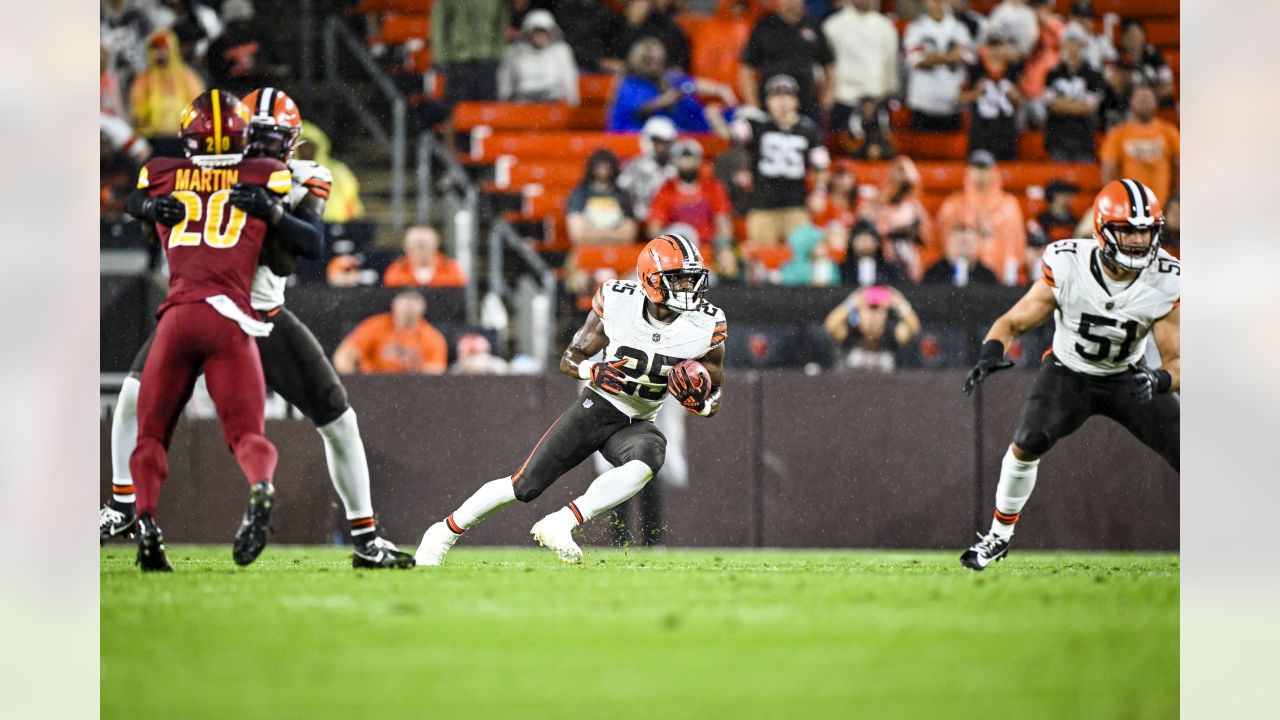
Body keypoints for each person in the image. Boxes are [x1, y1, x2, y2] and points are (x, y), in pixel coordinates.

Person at [102, 88, 415, 569]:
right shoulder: (221, 171)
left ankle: (365, 537)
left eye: (276, 139)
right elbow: (141, 199)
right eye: (261, 139)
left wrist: (271, 211)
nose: (269, 149)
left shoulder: (297, 176)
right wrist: (148, 208)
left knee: (339, 421)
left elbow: (311, 241)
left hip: (260, 318)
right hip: (210, 310)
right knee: (130, 402)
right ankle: (124, 508)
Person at [413, 234, 728, 565]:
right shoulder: (618, 300)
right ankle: (442, 533)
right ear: (651, 280)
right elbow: (571, 357)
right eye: (677, 280)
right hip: (598, 407)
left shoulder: (706, 323)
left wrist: (701, 404)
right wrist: (593, 371)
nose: (687, 289)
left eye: (691, 280)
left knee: (651, 455)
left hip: (637, 421)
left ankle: (561, 523)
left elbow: (716, 391)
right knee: (524, 486)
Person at [120, 90, 322, 571]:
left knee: (150, 436)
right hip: (231, 319)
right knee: (248, 435)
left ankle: (145, 519)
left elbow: (134, 197)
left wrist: (148, 209)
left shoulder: (164, 173)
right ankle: (260, 486)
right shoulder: (267, 174)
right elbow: (307, 240)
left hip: (176, 316)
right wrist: (274, 211)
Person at [959, 179, 1179, 570]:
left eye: (1144, 231)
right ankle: (998, 537)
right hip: (1068, 372)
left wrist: (1159, 381)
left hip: (1129, 377)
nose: (1137, 241)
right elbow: (1013, 322)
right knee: (1027, 442)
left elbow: (1178, 360)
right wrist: (991, 352)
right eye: (1127, 231)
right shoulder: (1067, 262)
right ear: (1102, 229)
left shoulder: (1166, 277)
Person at [728, 74, 830, 249]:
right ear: (767, 101)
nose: (782, 102)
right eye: (776, 97)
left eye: (787, 96)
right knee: (762, 262)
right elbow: (735, 135)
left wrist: (819, 192)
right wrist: (740, 117)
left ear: (796, 101)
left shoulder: (808, 129)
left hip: (796, 206)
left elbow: (821, 165)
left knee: (801, 258)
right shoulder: (758, 124)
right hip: (762, 206)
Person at [935, 150, 1027, 285]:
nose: (981, 174)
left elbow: (1018, 243)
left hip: (1001, 278)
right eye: (976, 168)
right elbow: (943, 242)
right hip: (966, 276)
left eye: (985, 169)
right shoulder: (954, 203)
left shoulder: (1008, 205)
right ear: (969, 171)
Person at [606, 38, 734, 133]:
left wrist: (720, 89)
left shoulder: (666, 77)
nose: (655, 66)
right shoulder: (628, 83)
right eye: (648, 60)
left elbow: (691, 83)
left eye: (659, 61)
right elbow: (643, 108)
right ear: (637, 60)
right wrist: (668, 98)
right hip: (631, 134)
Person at [739, 0, 835, 120]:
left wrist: (826, 99)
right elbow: (746, 69)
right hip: (768, 108)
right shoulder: (764, 26)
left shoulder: (813, 26)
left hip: (806, 108)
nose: (790, 2)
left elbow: (829, 65)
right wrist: (754, 105)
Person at [646, 140, 735, 265]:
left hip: (708, 247)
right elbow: (654, 227)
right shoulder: (665, 190)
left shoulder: (713, 187)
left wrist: (722, 245)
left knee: (727, 256)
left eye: (691, 159)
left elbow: (723, 222)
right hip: (676, 249)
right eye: (683, 159)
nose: (687, 164)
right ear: (675, 162)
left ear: (699, 161)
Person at [822, 0, 899, 142]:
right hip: (844, 100)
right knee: (842, 156)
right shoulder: (833, 25)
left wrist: (888, 94)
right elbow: (824, 66)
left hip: (877, 101)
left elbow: (891, 64)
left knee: (878, 154)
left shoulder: (885, 26)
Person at [333, 291, 449, 375]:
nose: (409, 308)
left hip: (413, 391)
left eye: (414, 303)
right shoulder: (374, 326)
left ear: (423, 308)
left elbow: (435, 372)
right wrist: (354, 383)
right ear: (394, 304)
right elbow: (343, 356)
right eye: (405, 302)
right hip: (372, 387)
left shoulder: (433, 337)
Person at [1100, 84, 1179, 203]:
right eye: (1140, 99)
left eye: (1147, 99)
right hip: (1129, 204)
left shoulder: (1169, 131)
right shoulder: (1118, 134)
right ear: (1132, 102)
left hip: (1162, 204)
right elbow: (1108, 170)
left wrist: (1176, 197)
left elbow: (1179, 166)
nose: (1144, 103)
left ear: (1155, 102)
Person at [903, 0, 975, 132]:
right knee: (921, 150)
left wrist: (932, 57)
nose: (937, 3)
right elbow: (915, 60)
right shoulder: (916, 27)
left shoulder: (959, 28)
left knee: (952, 149)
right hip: (923, 101)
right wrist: (950, 56)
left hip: (952, 102)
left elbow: (967, 57)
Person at [858, 156, 934, 280]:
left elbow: (926, 237)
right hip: (881, 260)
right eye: (900, 186)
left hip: (909, 260)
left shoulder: (915, 209)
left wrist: (910, 232)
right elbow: (864, 232)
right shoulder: (874, 206)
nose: (901, 191)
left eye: (905, 187)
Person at [128, 29, 206, 143]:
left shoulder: (188, 77)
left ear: (173, 49)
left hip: (183, 139)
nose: (160, 52)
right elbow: (138, 113)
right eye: (155, 48)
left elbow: (198, 108)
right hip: (154, 140)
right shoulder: (143, 79)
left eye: (164, 48)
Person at [957, 30, 1024, 161]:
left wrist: (1014, 94)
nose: (995, 50)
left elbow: (1022, 99)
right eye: (991, 46)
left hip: (1006, 132)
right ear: (985, 48)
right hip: (981, 132)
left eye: (998, 46)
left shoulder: (1013, 69)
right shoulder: (974, 70)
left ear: (1004, 48)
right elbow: (959, 98)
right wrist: (976, 93)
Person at [1042, 23, 1104, 162]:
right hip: (1058, 138)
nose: (1072, 48)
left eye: (1077, 43)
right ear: (1063, 45)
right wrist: (1078, 105)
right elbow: (1050, 105)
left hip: (1084, 139)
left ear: (1083, 46)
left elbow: (1090, 108)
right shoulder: (1052, 73)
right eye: (1069, 42)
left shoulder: (1093, 74)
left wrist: (1062, 104)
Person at [823, 285, 921, 372]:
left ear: (885, 316)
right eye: (868, 310)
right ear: (858, 314)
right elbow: (830, 325)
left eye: (878, 310)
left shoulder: (891, 337)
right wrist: (851, 302)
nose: (873, 318)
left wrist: (900, 303)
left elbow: (914, 328)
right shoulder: (851, 335)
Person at [432, 0, 509, 104]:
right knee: (457, 110)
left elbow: (500, 24)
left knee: (487, 112)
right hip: (457, 61)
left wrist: (497, 54)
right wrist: (440, 57)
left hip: (486, 61)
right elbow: (439, 24)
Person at [498, 10, 580, 105]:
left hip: (553, 104)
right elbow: (505, 81)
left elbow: (569, 80)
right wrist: (504, 103)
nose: (540, 36)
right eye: (537, 32)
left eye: (544, 32)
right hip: (523, 105)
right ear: (529, 32)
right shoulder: (514, 52)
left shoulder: (561, 51)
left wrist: (573, 104)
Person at [206, 0, 285, 98]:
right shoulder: (218, 45)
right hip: (230, 98)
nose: (240, 27)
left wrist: (262, 69)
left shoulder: (262, 39)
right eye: (236, 23)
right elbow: (213, 77)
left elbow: (282, 69)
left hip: (261, 97)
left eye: (243, 22)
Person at [566, 149, 638, 246]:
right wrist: (612, 235)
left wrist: (593, 234)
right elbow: (577, 235)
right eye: (599, 167)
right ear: (592, 168)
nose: (603, 171)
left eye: (606, 167)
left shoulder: (622, 195)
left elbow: (629, 234)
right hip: (587, 251)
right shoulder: (580, 194)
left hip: (618, 251)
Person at [297, 121, 365, 222]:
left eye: (310, 146)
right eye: (303, 146)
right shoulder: (287, 171)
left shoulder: (338, 171)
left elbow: (351, 203)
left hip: (335, 227)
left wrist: (353, 227)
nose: (306, 150)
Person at [618, 117, 678, 220]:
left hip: (668, 221)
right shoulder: (632, 166)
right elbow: (622, 192)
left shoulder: (676, 168)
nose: (662, 147)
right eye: (658, 142)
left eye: (665, 143)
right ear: (648, 140)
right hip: (639, 220)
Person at [610, 0, 692, 73]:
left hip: (661, 74)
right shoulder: (614, 23)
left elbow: (679, 61)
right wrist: (631, 24)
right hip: (629, 74)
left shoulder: (665, 26)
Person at [382, 225, 468, 288]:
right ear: (405, 246)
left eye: (425, 244)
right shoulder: (397, 269)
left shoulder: (451, 268)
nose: (420, 249)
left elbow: (457, 294)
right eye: (415, 244)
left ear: (436, 244)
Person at [1115, 18, 1175, 104]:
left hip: (1155, 104)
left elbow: (1168, 88)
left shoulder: (1154, 56)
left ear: (1144, 36)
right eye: (1130, 36)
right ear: (1123, 38)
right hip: (1129, 106)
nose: (1134, 40)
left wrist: (1147, 96)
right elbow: (1117, 89)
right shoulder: (1117, 58)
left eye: (1137, 35)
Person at [921, 223, 1000, 286]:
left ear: (976, 246)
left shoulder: (987, 276)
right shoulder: (934, 273)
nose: (963, 249)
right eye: (958, 243)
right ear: (948, 245)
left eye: (967, 243)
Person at [554, 0, 621, 72]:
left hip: (601, 65)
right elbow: (568, 44)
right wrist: (597, 61)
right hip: (576, 64)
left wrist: (610, 59)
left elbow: (612, 40)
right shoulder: (567, 11)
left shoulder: (605, 11)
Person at [839, 219, 908, 288]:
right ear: (852, 242)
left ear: (877, 242)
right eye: (860, 237)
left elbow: (900, 288)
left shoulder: (889, 269)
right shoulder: (842, 270)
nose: (865, 241)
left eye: (869, 237)